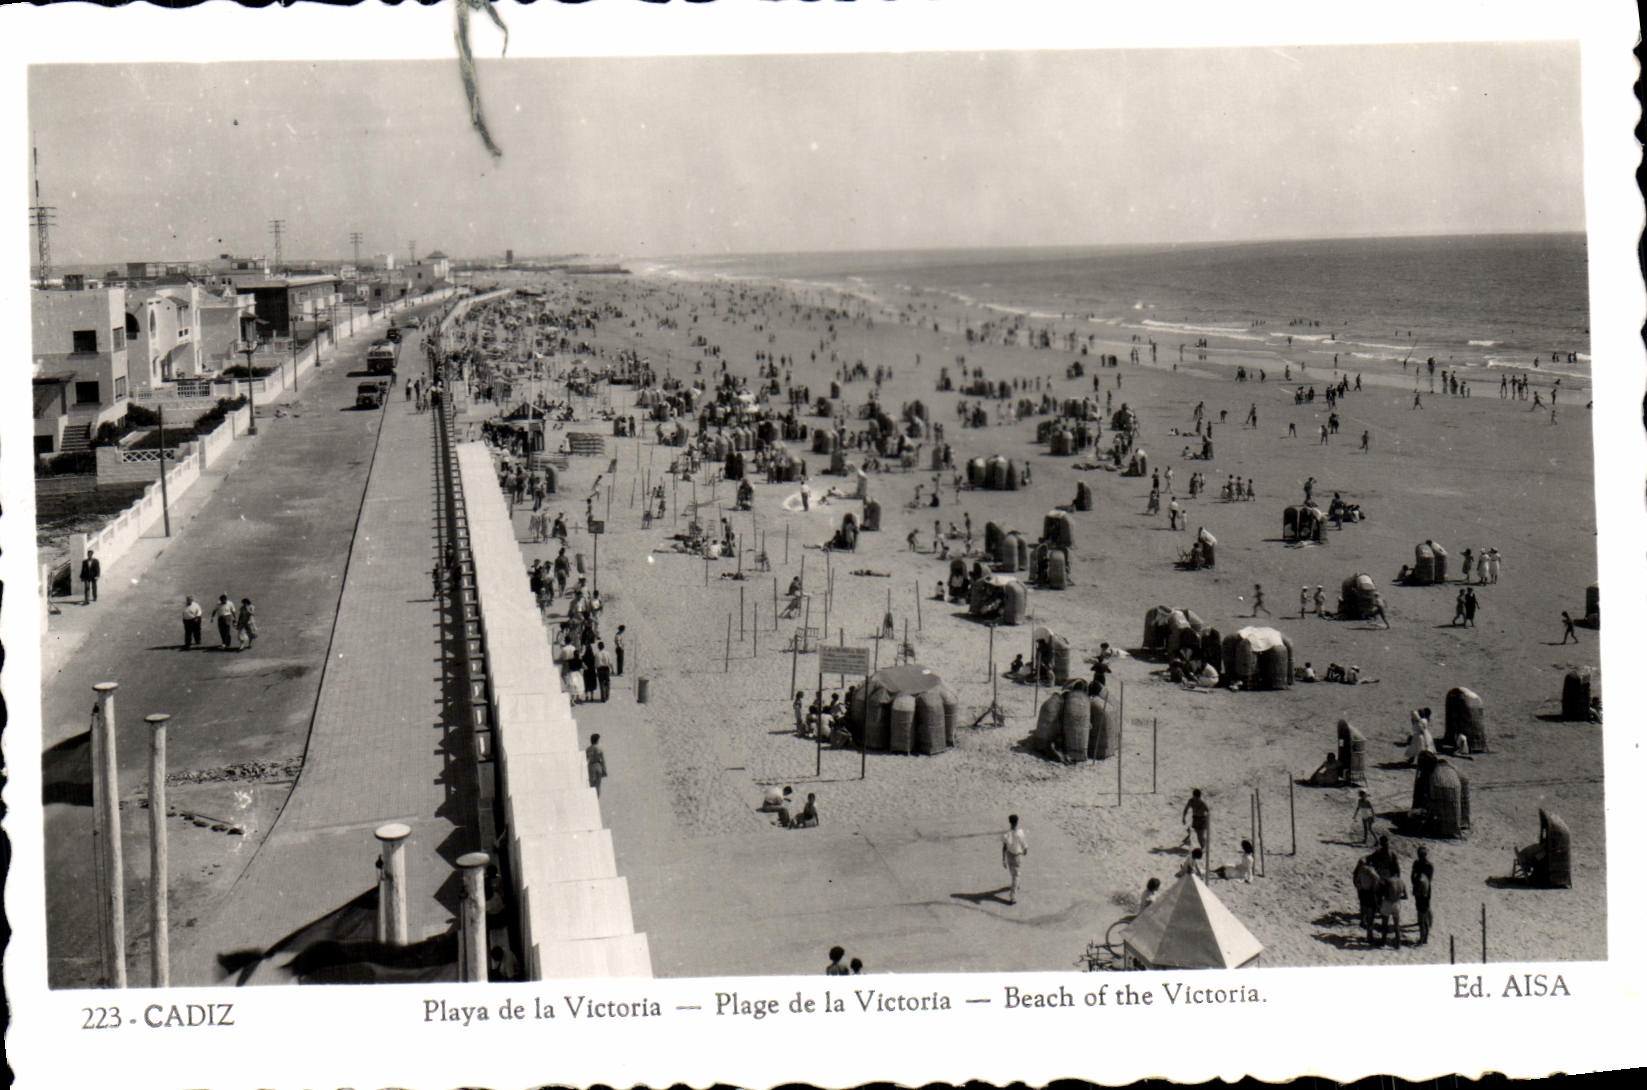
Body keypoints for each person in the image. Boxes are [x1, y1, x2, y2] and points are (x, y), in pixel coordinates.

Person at [1001, 813, 1028, 904]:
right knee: (1016, 876)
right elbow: (1023, 843)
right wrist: (1025, 849)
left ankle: (1016, 884)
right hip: (1017, 856)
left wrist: (1003, 859)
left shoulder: (1006, 834)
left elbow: (1004, 847)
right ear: (1017, 822)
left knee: (1013, 873)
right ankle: (1013, 896)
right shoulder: (1020, 833)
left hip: (1009, 855)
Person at [1411, 847, 1434, 946]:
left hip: (1419, 887)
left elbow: (1412, 876)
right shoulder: (1429, 865)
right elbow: (1430, 878)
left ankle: (1423, 935)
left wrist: (1415, 884)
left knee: (1421, 911)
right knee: (1427, 907)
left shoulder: (1417, 863)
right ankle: (1429, 924)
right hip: (1426, 887)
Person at [1180, 788, 1210, 852]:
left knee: (1200, 836)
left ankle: (1203, 848)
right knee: (1192, 831)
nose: (1196, 799)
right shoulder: (1191, 801)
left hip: (1202, 820)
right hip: (1195, 819)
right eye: (1195, 797)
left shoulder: (1202, 804)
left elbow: (1208, 811)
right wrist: (1184, 817)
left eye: (1197, 798)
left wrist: (1206, 821)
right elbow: (1186, 809)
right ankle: (1188, 841)